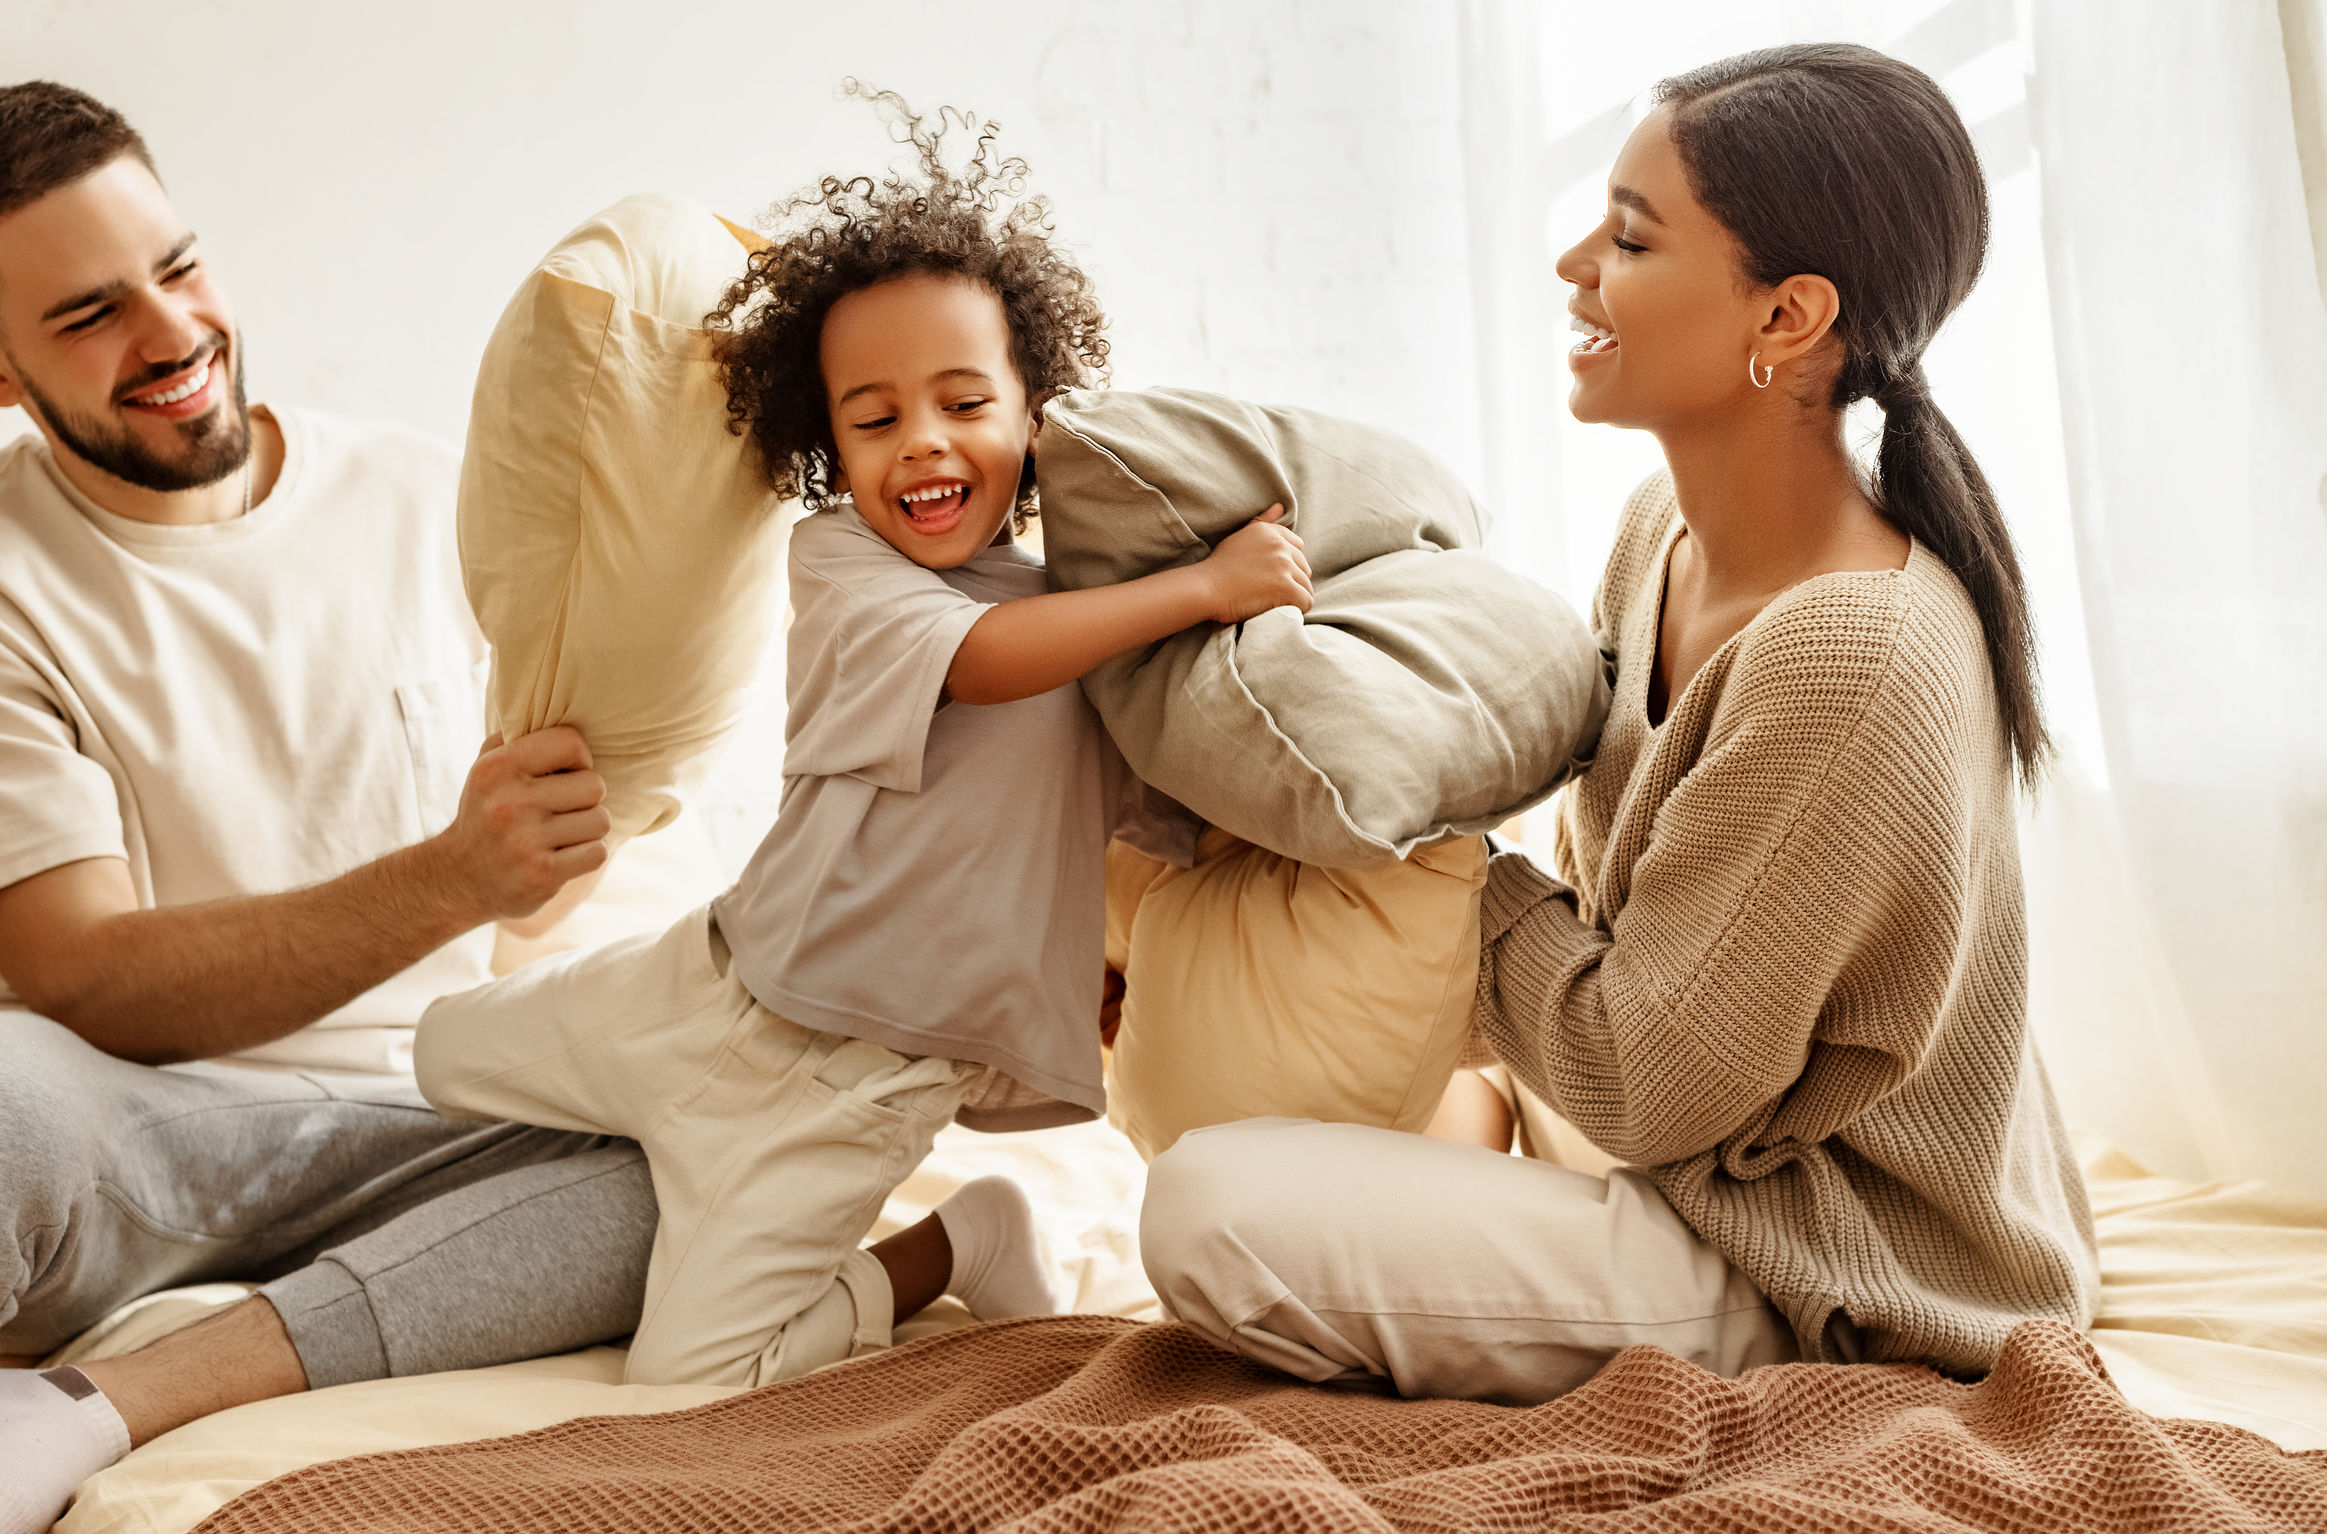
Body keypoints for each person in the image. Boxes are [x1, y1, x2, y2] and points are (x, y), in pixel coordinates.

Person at [0, 84, 666, 1534]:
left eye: (177, 268)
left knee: (704, 1144)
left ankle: (93, 1411)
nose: (170, 336)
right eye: (90, 315)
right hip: (130, 1132)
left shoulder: (436, 503)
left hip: (435, 1112)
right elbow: (89, 975)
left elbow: (562, 866)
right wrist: (453, 874)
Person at [1138, 43, 2099, 1403]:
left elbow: (1644, 1076)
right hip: (1644, 1131)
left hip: (1803, 1253)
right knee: (1266, 1088)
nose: (1574, 263)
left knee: (1207, 1205)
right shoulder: (1664, 531)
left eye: (1632, 238)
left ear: (1788, 319)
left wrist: (1406, 862)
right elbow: (1606, 937)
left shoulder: (1852, 653)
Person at [413, 93, 1312, 1390]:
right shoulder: (841, 560)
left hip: (858, 1071)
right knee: (443, 1049)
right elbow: (985, 666)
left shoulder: (1087, 622)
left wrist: (1096, 951)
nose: (924, 443)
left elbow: (1124, 825)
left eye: (962, 402)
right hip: (713, 970)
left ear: (1035, 414)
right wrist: (1203, 587)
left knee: (691, 1378)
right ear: (827, 442)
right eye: (875, 419)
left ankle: (960, 1241)